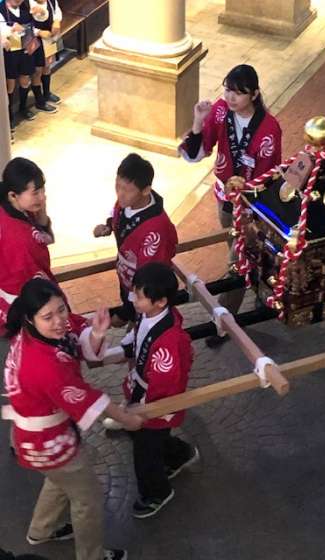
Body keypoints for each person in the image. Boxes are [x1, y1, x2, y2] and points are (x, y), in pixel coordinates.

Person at [2, 278, 144, 559]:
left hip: (35, 440)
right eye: (48, 317)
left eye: (61, 310)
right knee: (87, 498)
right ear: (30, 318)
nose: (59, 321)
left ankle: (41, 530)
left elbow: (77, 340)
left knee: (59, 479)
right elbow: (88, 398)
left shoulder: (28, 337)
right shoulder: (44, 365)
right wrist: (127, 419)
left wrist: (97, 332)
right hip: (49, 440)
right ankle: (92, 556)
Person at [179, 64, 282, 345]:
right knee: (241, 252)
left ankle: (224, 324)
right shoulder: (221, 111)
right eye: (228, 90)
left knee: (238, 261)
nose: (231, 97)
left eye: (239, 92)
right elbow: (197, 152)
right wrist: (198, 121)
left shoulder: (269, 129)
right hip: (225, 201)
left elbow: (270, 176)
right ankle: (264, 289)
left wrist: (250, 204)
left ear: (255, 94)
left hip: (251, 207)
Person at [117, 263, 198, 519]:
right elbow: (138, 337)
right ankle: (180, 455)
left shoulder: (168, 341)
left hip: (156, 401)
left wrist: (145, 410)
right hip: (144, 390)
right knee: (153, 439)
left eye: (139, 296)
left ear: (160, 301)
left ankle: (157, 493)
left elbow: (165, 384)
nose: (133, 299)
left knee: (145, 449)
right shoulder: (150, 314)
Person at [93, 153, 178, 326]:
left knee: (141, 327)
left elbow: (148, 282)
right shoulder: (127, 203)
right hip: (128, 281)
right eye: (117, 186)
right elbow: (118, 216)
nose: (120, 194)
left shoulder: (155, 231)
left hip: (144, 297)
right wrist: (108, 226)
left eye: (127, 190)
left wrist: (126, 313)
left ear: (145, 190)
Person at [0, 157, 58, 336]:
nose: (42, 197)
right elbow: (34, 283)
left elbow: (46, 238)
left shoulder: (14, 208)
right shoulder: (18, 238)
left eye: (42, 190)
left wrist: (42, 215)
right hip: (23, 305)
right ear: (13, 195)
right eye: (35, 193)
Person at [0, 0, 38, 129]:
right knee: (10, 83)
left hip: (25, 49)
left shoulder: (26, 7)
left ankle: (23, 107)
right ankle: (9, 115)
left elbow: (33, 25)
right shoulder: (1, 9)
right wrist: (11, 29)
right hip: (10, 53)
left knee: (25, 79)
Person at [29, 0, 61, 107]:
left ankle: (47, 93)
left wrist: (56, 21)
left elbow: (56, 12)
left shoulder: (51, 1)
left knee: (47, 66)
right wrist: (38, 32)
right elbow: (23, 25)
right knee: (37, 71)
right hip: (35, 42)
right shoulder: (26, 4)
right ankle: (39, 101)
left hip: (49, 39)